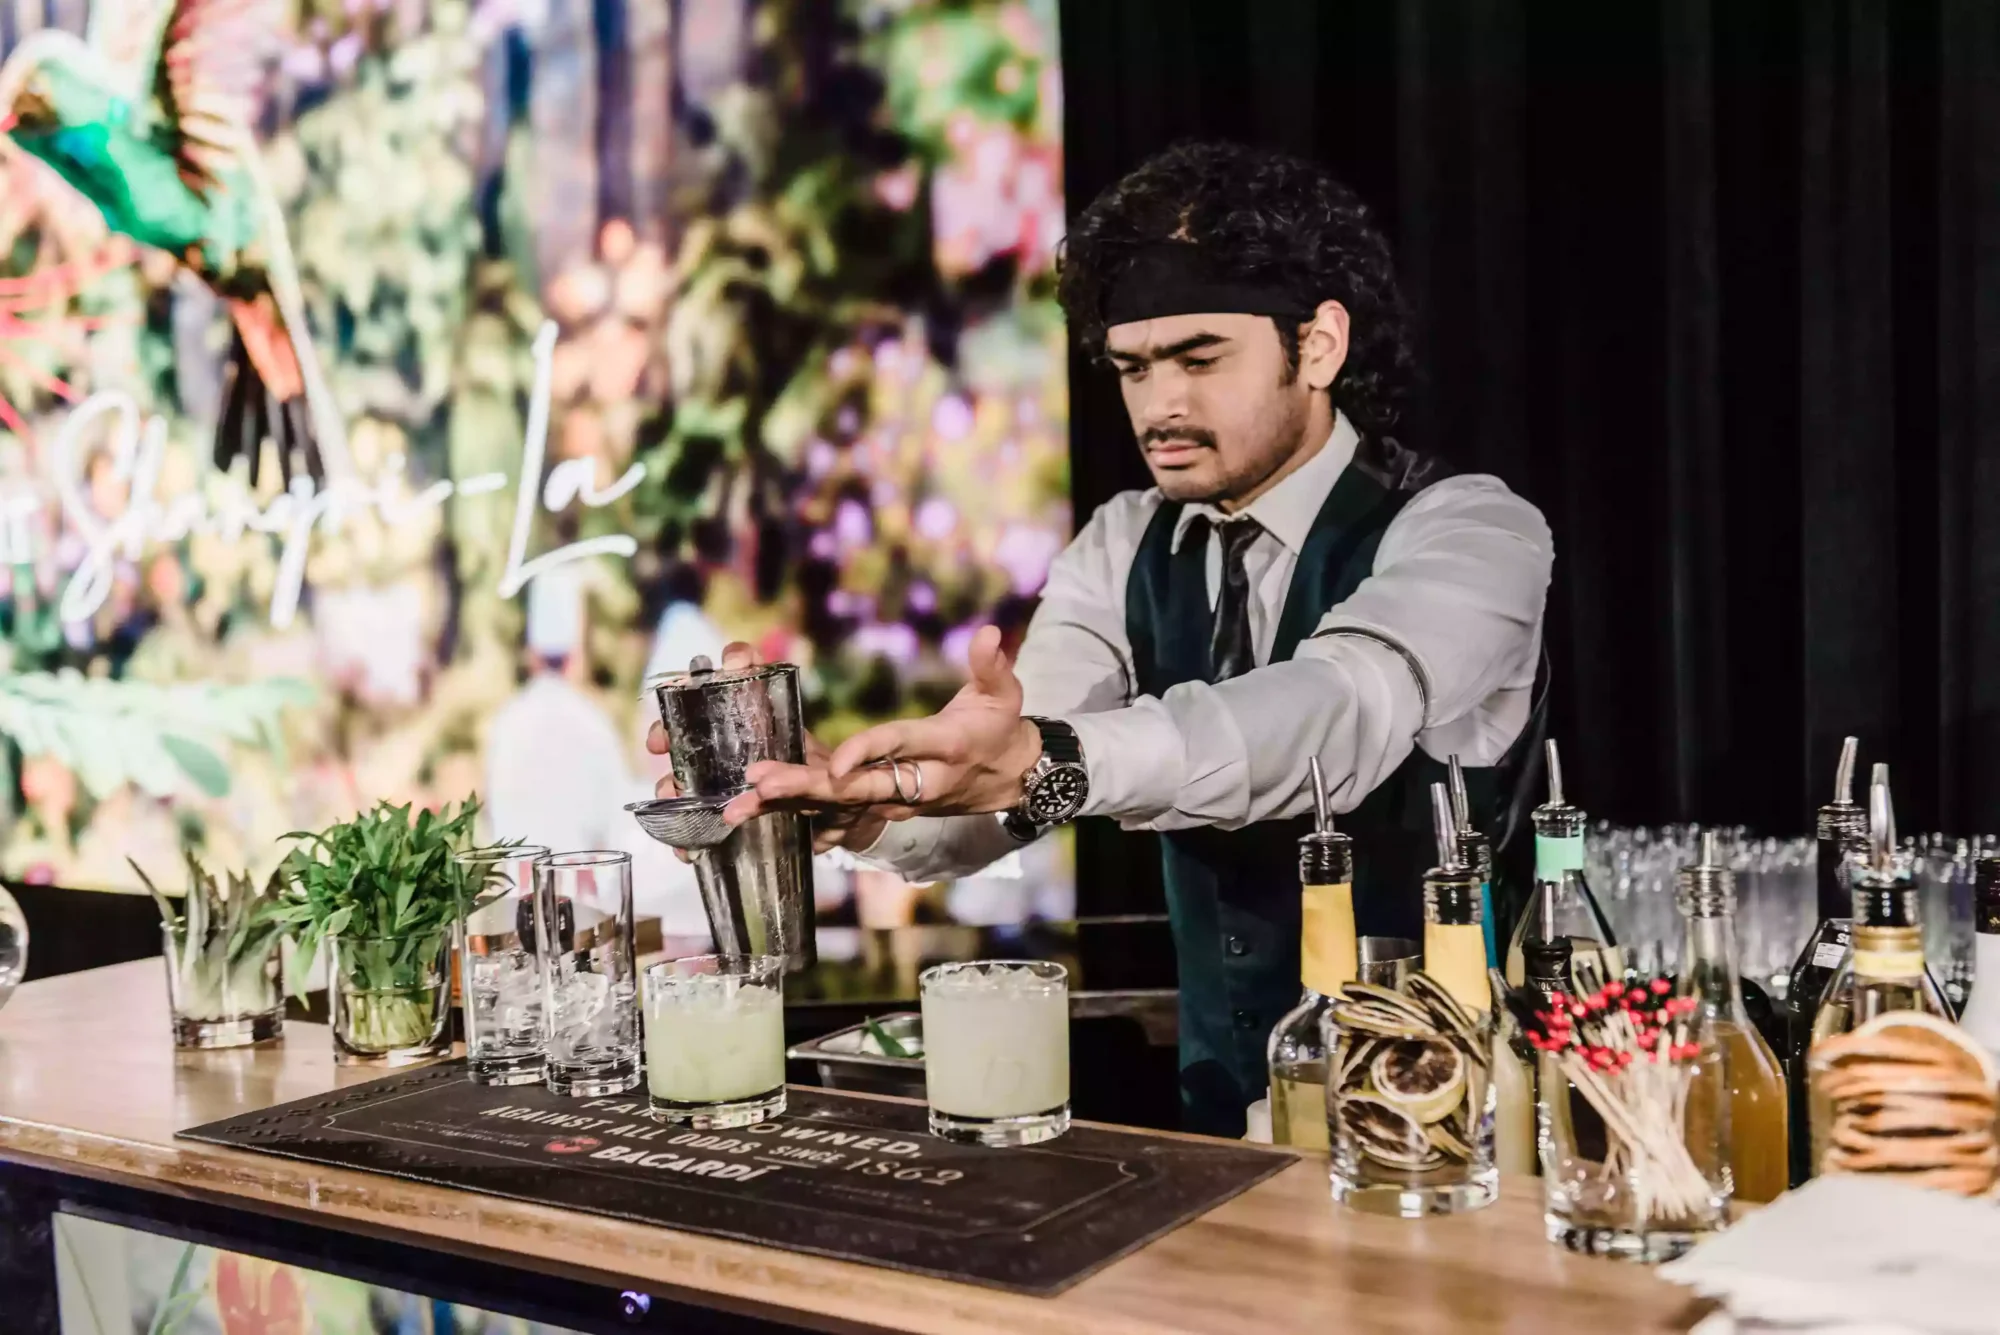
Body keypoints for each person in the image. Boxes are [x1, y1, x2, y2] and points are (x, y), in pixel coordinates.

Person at [651, 142, 1554, 1136]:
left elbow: (1338, 714)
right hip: (1223, 1136)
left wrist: (1051, 758)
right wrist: (856, 805)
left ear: (1319, 345)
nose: (1157, 406)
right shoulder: (1125, 541)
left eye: (1199, 360)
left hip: (1448, 1129)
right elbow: (1004, 792)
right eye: (1131, 368)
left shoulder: (1470, 530)